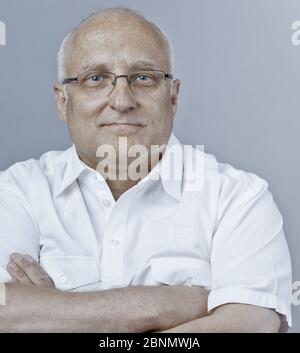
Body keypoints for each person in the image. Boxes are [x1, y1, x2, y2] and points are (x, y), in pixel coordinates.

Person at [0, 6, 292, 332]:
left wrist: (54, 312)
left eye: (144, 78)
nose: (122, 101)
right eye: (96, 78)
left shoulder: (239, 198)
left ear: (173, 97)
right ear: (63, 101)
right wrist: (166, 305)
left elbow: (251, 324)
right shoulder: (17, 191)